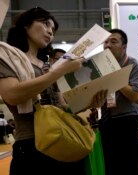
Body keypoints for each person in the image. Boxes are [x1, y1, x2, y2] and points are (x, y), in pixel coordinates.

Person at [0, 7, 107, 175]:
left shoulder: (47, 66)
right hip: (33, 144)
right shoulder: (10, 59)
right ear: (25, 26)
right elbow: (12, 95)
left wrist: (89, 102)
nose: (50, 32)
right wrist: (60, 71)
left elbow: (61, 106)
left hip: (64, 140)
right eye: (45, 24)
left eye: (53, 29)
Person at [99, 29, 138, 175]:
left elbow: (137, 97)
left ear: (124, 46)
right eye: (105, 42)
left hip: (126, 122)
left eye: (113, 41)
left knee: (126, 167)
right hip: (106, 121)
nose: (108, 45)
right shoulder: (100, 67)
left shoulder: (134, 66)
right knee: (109, 167)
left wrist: (115, 76)